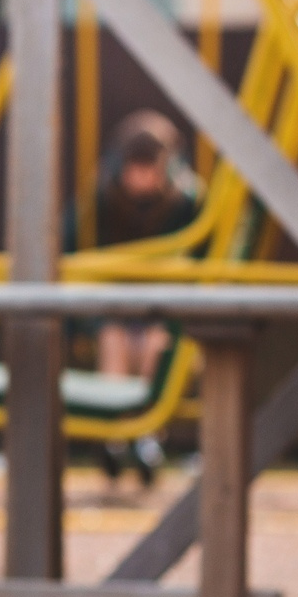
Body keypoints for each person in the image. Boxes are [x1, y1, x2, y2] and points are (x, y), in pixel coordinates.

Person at [78, 110, 199, 486]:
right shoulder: (101, 200)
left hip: (163, 311)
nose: (143, 178)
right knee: (114, 341)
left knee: (154, 346)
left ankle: (147, 436)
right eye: (136, 168)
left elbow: (200, 265)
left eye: (151, 169)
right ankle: (115, 435)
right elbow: (74, 253)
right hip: (115, 307)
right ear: (122, 167)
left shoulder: (188, 202)